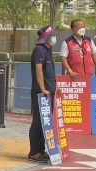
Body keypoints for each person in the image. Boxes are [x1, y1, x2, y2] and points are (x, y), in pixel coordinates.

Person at [29, 25, 60, 163]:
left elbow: (50, 71)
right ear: (46, 38)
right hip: (41, 93)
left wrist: (56, 86)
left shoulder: (48, 50)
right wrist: (43, 88)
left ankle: (41, 150)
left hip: (49, 91)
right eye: (52, 35)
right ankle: (34, 151)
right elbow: (39, 70)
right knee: (37, 121)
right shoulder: (39, 50)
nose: (54, 37)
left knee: (45, 122)